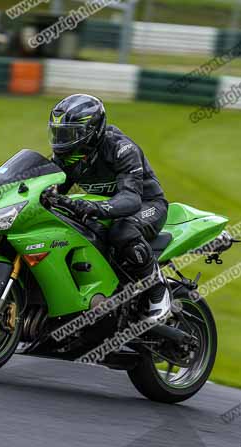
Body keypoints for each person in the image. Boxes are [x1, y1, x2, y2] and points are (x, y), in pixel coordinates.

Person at [46, 93, 171, 320]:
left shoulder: (121, 149)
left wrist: (95, 208)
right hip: (106, 208)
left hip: (148, 205)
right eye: (59, 133)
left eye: (70, 133)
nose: (62, 140)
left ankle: (157, 290)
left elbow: (131, 199)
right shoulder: (68, 157)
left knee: (121, 230)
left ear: (92, 131)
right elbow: (50, 187)